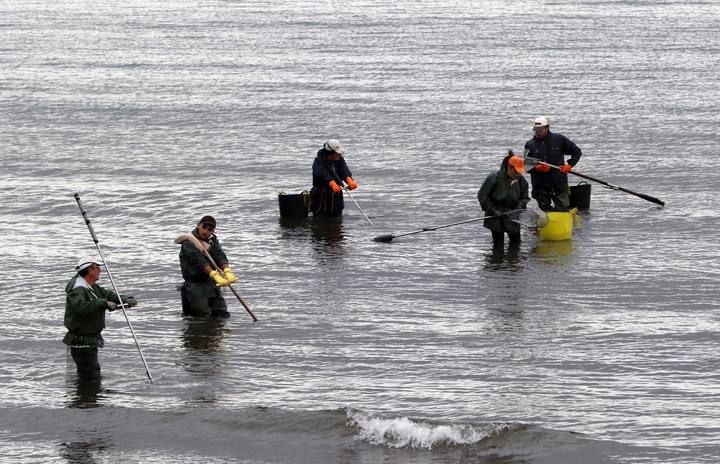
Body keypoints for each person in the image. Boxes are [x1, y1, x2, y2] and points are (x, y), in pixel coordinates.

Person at [63, 256, 137, 382]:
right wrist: (103, 303)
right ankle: (88, 399)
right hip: (82, 341)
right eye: (97, 268)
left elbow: (108, 295)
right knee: (91, 375)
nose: (100, 271)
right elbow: (82, 308)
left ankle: (86, 397)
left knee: (90, 374)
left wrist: (125, 300)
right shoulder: (78, 289)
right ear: (89, 270)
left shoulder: (91, 286)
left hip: (89, 339)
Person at [179, 215, 237, 318]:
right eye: (204, 227)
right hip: (195, 286)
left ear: (213, 231)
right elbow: (199, 261)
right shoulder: (188, 243)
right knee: (202, 317)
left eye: (210, 229)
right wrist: (214, 274)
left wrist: (227, 270)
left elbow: (219, 255)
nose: (206, 231)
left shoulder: (213, 241)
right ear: (198, 226)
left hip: (211, 284)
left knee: (222, 314)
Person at [524, 116, 582, 211]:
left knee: (563, 210)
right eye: (536, 130)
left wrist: (569, 165)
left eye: (541, 129)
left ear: (547, 128)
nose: (538, 132)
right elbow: (527, 166)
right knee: (544, 212)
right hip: (540, 186)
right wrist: (537, 168)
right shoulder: (530, 144)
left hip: (558, 183)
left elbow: (577, 152)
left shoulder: (559, 139)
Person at [477, 152, 530, 244]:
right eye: (516, 171)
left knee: (516, 243)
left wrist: (518, 208)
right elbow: (482, 196)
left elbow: (524, 198)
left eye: (520, 172)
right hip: (495, 214)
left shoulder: (521, 180)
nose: (518, 174)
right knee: (498, 244)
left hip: (513, 214)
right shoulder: (494, 177)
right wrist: (492, 210)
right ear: (509, 167)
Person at [310, 139, 359, 217]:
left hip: (336, 195)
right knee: (321, 219)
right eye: (337, 153)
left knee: (337, 219)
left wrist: (349, 180)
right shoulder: (318, 161)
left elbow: (344, 170)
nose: (339, 155)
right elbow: (321, 173)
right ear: (330, 153)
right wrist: (332, 183)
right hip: (321, 195)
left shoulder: (339, 159)